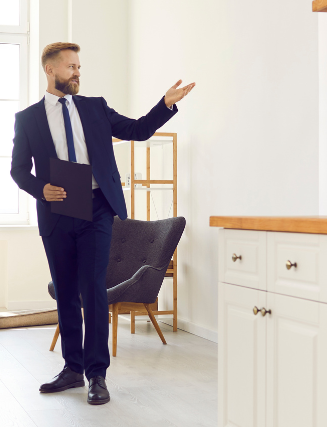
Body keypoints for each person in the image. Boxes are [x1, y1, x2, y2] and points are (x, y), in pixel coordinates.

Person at [11, 42, 194, 405]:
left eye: (79, 66)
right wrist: (41, 189)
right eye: (70, 67)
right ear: (50, 70)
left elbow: (139, 129)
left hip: (96, 207)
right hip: (57, 208)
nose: (77, 72)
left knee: (92, 288)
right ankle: (71, 369)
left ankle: (97, 374)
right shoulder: (28, 118)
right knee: (65, 290)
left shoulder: (94, 107)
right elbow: (18, 170)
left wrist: (166, 104)